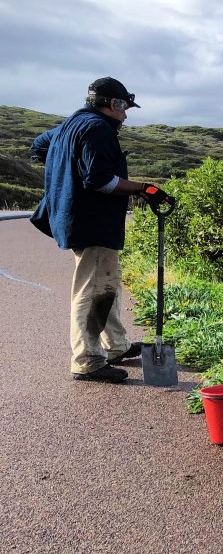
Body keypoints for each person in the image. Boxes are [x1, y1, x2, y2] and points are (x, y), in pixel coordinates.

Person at [30, 77, 173, 383]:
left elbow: (39, 146)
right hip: (91, 222)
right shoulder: (97, 129)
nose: (125, 116)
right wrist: (145, 189)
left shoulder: (73, 123)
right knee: (93, 288)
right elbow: (99, 180)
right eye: (124, 108)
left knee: (106, 282)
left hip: (78, 219)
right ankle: (87, 360)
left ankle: (116, 345)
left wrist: (65, 168)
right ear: (113, 104)